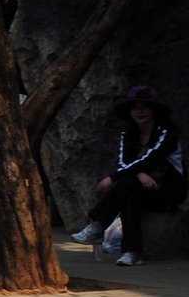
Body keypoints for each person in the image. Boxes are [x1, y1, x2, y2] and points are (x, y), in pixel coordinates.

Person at [73, 85, 186, 266]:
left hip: (168, 190)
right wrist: (140, 174)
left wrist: (112, 177)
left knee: (125, 183)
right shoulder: (128, 135)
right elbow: (123, 163)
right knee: (130, 197)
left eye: (145, 107)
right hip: (140, 187)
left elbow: (152, 158)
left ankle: (99, 224)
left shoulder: (167, 134)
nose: (140, 111)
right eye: (135, 107)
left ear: (154, 110)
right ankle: (131, 252)